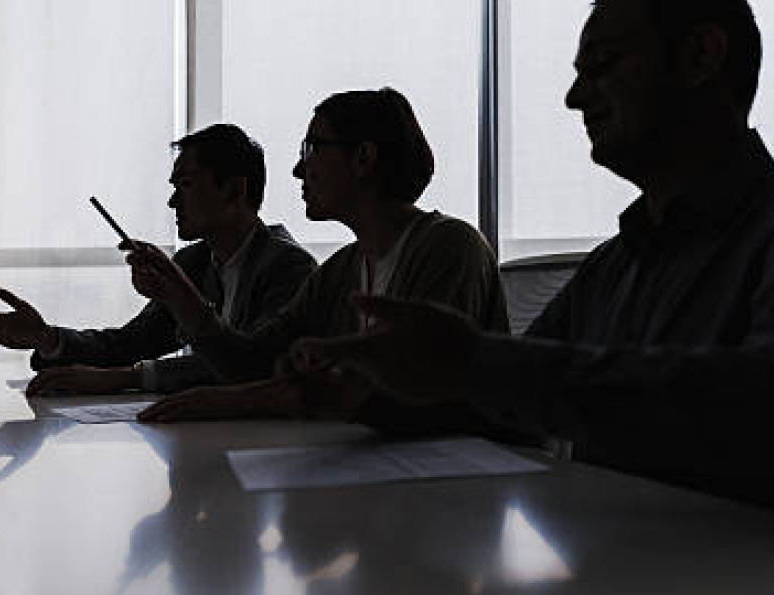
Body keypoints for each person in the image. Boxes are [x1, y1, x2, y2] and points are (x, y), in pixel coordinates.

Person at [286, 0, 774, 532]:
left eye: (603, 63)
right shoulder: (620, 262)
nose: (574, 97)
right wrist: (371, 399)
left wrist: (476, 364)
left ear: (700, 56)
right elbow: (507, 404)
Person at [129, 87, 507, 422]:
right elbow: (252, 363)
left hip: (461, 484)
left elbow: (415, 392)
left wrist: (239, 401)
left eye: (311, 148)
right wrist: (179, 294)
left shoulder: (452, 248)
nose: (297, 169)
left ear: (363, 158)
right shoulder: (342, 269)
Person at [0, 124, 315, 395]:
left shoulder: (289, 268)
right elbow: (130, 343)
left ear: (235, 190)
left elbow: (251, 364)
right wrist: (47, 338)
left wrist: (126, 378)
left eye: (185, 185)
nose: (172, 202)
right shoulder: (194, 262)